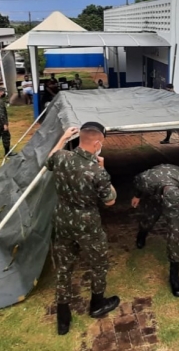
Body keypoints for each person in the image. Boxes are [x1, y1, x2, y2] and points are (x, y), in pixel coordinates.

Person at [46, 122, 120, 335]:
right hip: (87, 225)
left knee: (63, 267)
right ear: (97, 142)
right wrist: (104, 170)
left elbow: (49, 160)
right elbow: (110, 201)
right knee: (99, 263)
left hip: (62, 220)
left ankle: (63, 317)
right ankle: (97, 304)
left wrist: (62, 137)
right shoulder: (97, 171)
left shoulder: (62, 158)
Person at [131, 164, 179, 297]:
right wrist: (137, 196)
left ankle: (174, 275)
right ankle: (142, 234)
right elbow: (137, 182)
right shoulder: (147, 180)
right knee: (148, 219)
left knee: (175, 234)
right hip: (155, 195)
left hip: (175, 202)